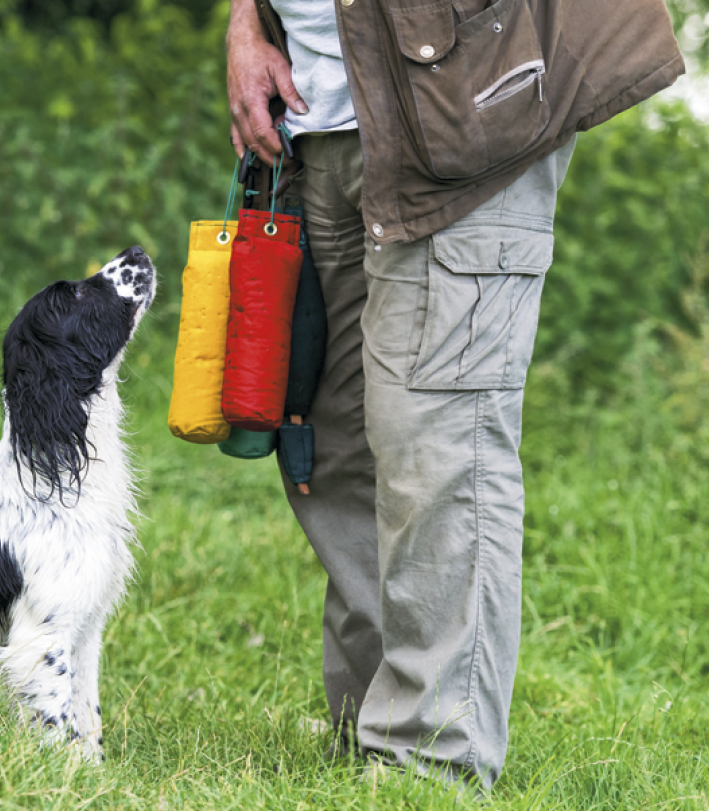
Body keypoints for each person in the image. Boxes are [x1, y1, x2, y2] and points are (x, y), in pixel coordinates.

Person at [226, 0, 684, 792]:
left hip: (473, 95)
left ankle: (428, 763)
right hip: (325, 112)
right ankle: (375, 720)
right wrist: (244, 19)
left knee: (437, 441)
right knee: (334, 444)